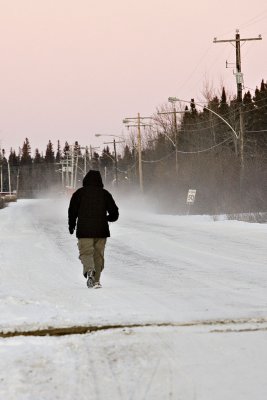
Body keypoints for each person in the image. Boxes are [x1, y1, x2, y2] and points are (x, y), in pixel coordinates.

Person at [68, 170, 119, 289]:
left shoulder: (79, 193)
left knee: (86, 252)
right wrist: (107, 218)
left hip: (84, 230)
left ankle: (89, 270)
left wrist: (71, 225)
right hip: (101, 230)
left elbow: (72, 211)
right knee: (98, 255)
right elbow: (114, 214)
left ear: (86, 180)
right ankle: (96, 281)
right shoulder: (105, 194)